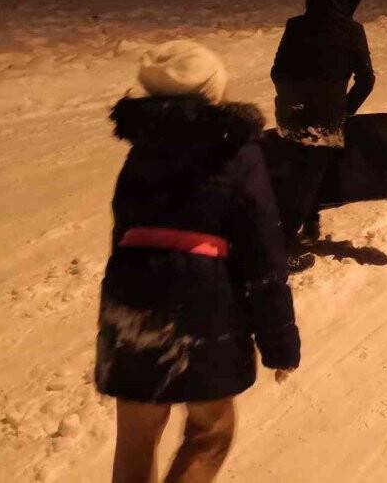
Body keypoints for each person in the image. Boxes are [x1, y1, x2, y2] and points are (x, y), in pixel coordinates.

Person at [98, 40, 300, 483]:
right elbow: (263, 255)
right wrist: (280, 343)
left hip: (130, 300)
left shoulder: (140, 154)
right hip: (199, 302)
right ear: (214, 90)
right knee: (211, 432)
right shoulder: (237, 152)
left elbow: (121, 233)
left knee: (136, 435)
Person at [270, 0, 375, 267]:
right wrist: (345, 109)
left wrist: (292, 98)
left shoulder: (296, 26)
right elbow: (366, 79)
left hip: (292, 113)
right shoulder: (351, 30)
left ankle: (311, 222)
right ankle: (285, 246)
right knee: (311, 175)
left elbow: (277, 71)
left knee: (299, 173)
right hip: (327, 117)